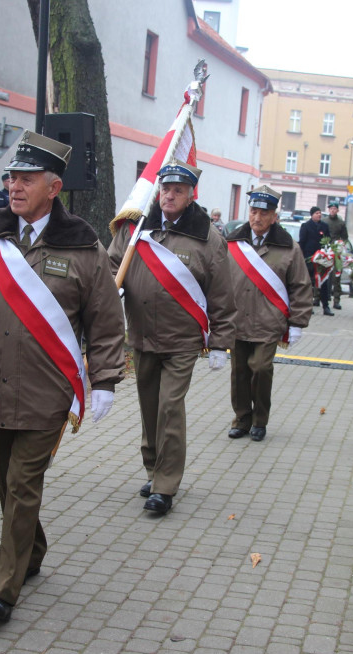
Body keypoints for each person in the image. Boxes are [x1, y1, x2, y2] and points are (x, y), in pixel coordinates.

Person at [0, 131, 125, 621]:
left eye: (26, 178)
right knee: (8, 486)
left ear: (53, 187)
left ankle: (2, 588)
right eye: (11, 177)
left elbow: (105, 320)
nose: (14, 186)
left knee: (22, 486)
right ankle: (31, 550)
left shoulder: (83, 247)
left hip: (48, 390)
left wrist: (104, 380)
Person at [109, 159, 236, 515]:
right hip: (142, 336)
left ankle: (165, 486)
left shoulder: (207, 237)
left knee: (169, 409)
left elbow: (222, 294)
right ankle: (154, 468)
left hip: (181, 340)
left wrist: (221, 343)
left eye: (177, 190)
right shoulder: (136, 229)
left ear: (190, 194)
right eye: (165, 188)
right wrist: (109, 292)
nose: (169, 195)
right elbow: (110, 265)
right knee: (150, 410)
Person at [225, 185, 312, 442]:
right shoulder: (232, 243)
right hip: (237, 320)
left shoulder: (288, 247)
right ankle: (242, 418)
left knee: (261, 368)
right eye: (253, 211)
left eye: (264, 213)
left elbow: (301, 286)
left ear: (274, 216)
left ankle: (260, 420)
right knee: (239, 371)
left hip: (269, 322)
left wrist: (297, 322)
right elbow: (217, 281)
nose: (257, 218)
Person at [299, 206, 335, 314]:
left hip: (322, 259)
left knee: (323, 282)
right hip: (310, 259)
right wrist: (303, 257)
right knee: (309, 283)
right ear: (312, 215)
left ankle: (326, 307)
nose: (319, 215)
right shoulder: (305, 226)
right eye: (317, 213)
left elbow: (328, 241)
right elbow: (302, 242)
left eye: (320, 213)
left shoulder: (324, 226)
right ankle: (309, 306)